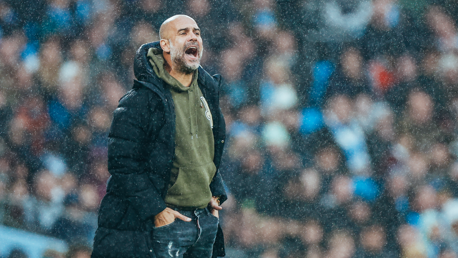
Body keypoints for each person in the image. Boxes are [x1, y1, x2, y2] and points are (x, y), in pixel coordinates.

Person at [91, 15, 227, 258]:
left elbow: (208, 151)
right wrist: (158, 210)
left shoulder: (208, 94)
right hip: (161, 222)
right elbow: (123, 165)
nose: (193, 36)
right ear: (165, 45)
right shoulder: (139, 101)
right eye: (183, 32)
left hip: (203, 222)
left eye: (196, 32)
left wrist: (216, 191)